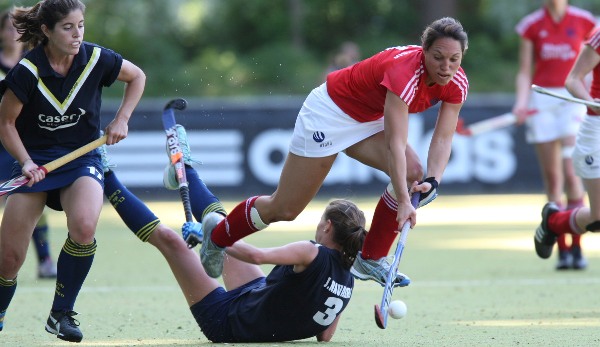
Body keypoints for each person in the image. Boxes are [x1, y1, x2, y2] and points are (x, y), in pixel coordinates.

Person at [198, 17, 469, 283]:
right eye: (438, 57)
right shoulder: (406, 75)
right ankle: (217, 236)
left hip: (368, 118)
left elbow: (443, 138)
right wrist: (403, 201)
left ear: (461, 57)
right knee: (285, 208)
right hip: (329, 113)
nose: (446, 67)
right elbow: (394, 144)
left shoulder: (457, 83)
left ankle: (371, 258)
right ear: (424, 52)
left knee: (415, 172)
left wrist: (433, 180)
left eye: (454, 59)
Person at [104, 132, 366, 342]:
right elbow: (325, 336)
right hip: (256, 300)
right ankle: (183, 168)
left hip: (226, 320)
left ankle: (105, 174)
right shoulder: (348, 277)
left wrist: (214, 240)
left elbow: (257, 256)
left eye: (321, 222)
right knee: (225, 224)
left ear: (328, 227)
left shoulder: (312, 251)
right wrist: (217, 235)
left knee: (172, 242)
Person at [0, 0, 145, 342]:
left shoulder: (96, 59)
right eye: (68, 27)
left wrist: (121, 118)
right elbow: (5, 123)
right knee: (8, 259)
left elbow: (137, 76)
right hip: (36, 161)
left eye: (80, 25)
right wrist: (26, 162)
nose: (77, 34)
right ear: (47, 31)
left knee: (83, 225)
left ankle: (61, 313)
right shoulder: (27, 71)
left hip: (81, 159)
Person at [513, 0, 596, 270]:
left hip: (572, 103)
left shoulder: (584, 20)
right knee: (553, 178)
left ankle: (577, 249)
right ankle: (560, 248)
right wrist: (521, 103)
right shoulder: (531, 25)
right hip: (545, 101)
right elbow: (525, 71)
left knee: (572, 176)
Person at [0, 8, 57, 280]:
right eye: (8, 28)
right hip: (2, 140)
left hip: (24, 143)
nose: (13, 33)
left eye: (17, 28)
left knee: (31, 200)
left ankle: (45, 260)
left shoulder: (34, 63)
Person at [534, 27, 600, 262]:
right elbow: (573, 80)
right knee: (597, 218)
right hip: (596, 131)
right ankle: (552, 222)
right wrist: (592, 103)